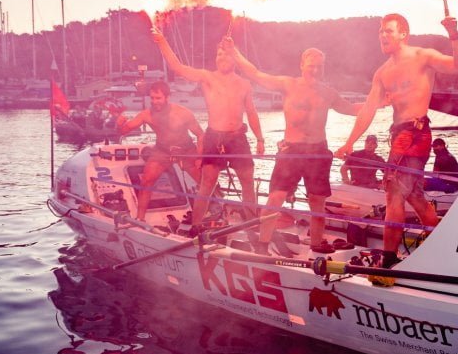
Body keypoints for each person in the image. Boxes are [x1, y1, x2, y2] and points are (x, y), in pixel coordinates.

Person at [335, 12, 458, 268]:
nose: (383, 35)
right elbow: (368, 110)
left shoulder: (422, 56)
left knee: (393, 193)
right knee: (414, 196)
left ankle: (388, 260)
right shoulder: (382, 73)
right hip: (399, 134)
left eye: (388, 31)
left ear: (403, 34)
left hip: (414, 132)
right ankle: (444, 244)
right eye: (380, 31)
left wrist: (454, 35)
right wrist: (350, 142)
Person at [223, 39, 360, 254]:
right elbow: (256, 74)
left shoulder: (328, 92)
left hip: (318, 152)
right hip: (292, 151)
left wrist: (382, 101)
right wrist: (235, 52)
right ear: (302, 64)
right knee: (275, 198)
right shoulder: (288, 84)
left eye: (319, 66)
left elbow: (352, 109)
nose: (314, 70)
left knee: (317, 202)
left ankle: (316, 245)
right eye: (311, 65)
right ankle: (262, 246)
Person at [152, 27, 264, 232]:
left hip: (238, 137)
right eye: (218, 54)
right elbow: (177, 67)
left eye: (226, 53)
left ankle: (252, 228)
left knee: (247, 183)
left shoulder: (244, 84)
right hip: (214, 138)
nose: (222, 57)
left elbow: (252, 112)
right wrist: (161, 41)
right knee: (207, 184)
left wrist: (260, 139)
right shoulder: (207, 77)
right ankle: (195, 227)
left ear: (234, 57)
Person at [116, 81, 204, 221]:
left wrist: (200, 157)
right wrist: (119, 122)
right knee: (146, 182)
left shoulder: (182, 112)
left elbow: (200, 135)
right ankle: (140, 219)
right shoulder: (146, 114)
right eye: (152, 98)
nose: (154, 101)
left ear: (167, 97)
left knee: (205, 183)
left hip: (186, 150)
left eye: (158, 98)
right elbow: (125, 130)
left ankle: (217, 211)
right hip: (162, 151)